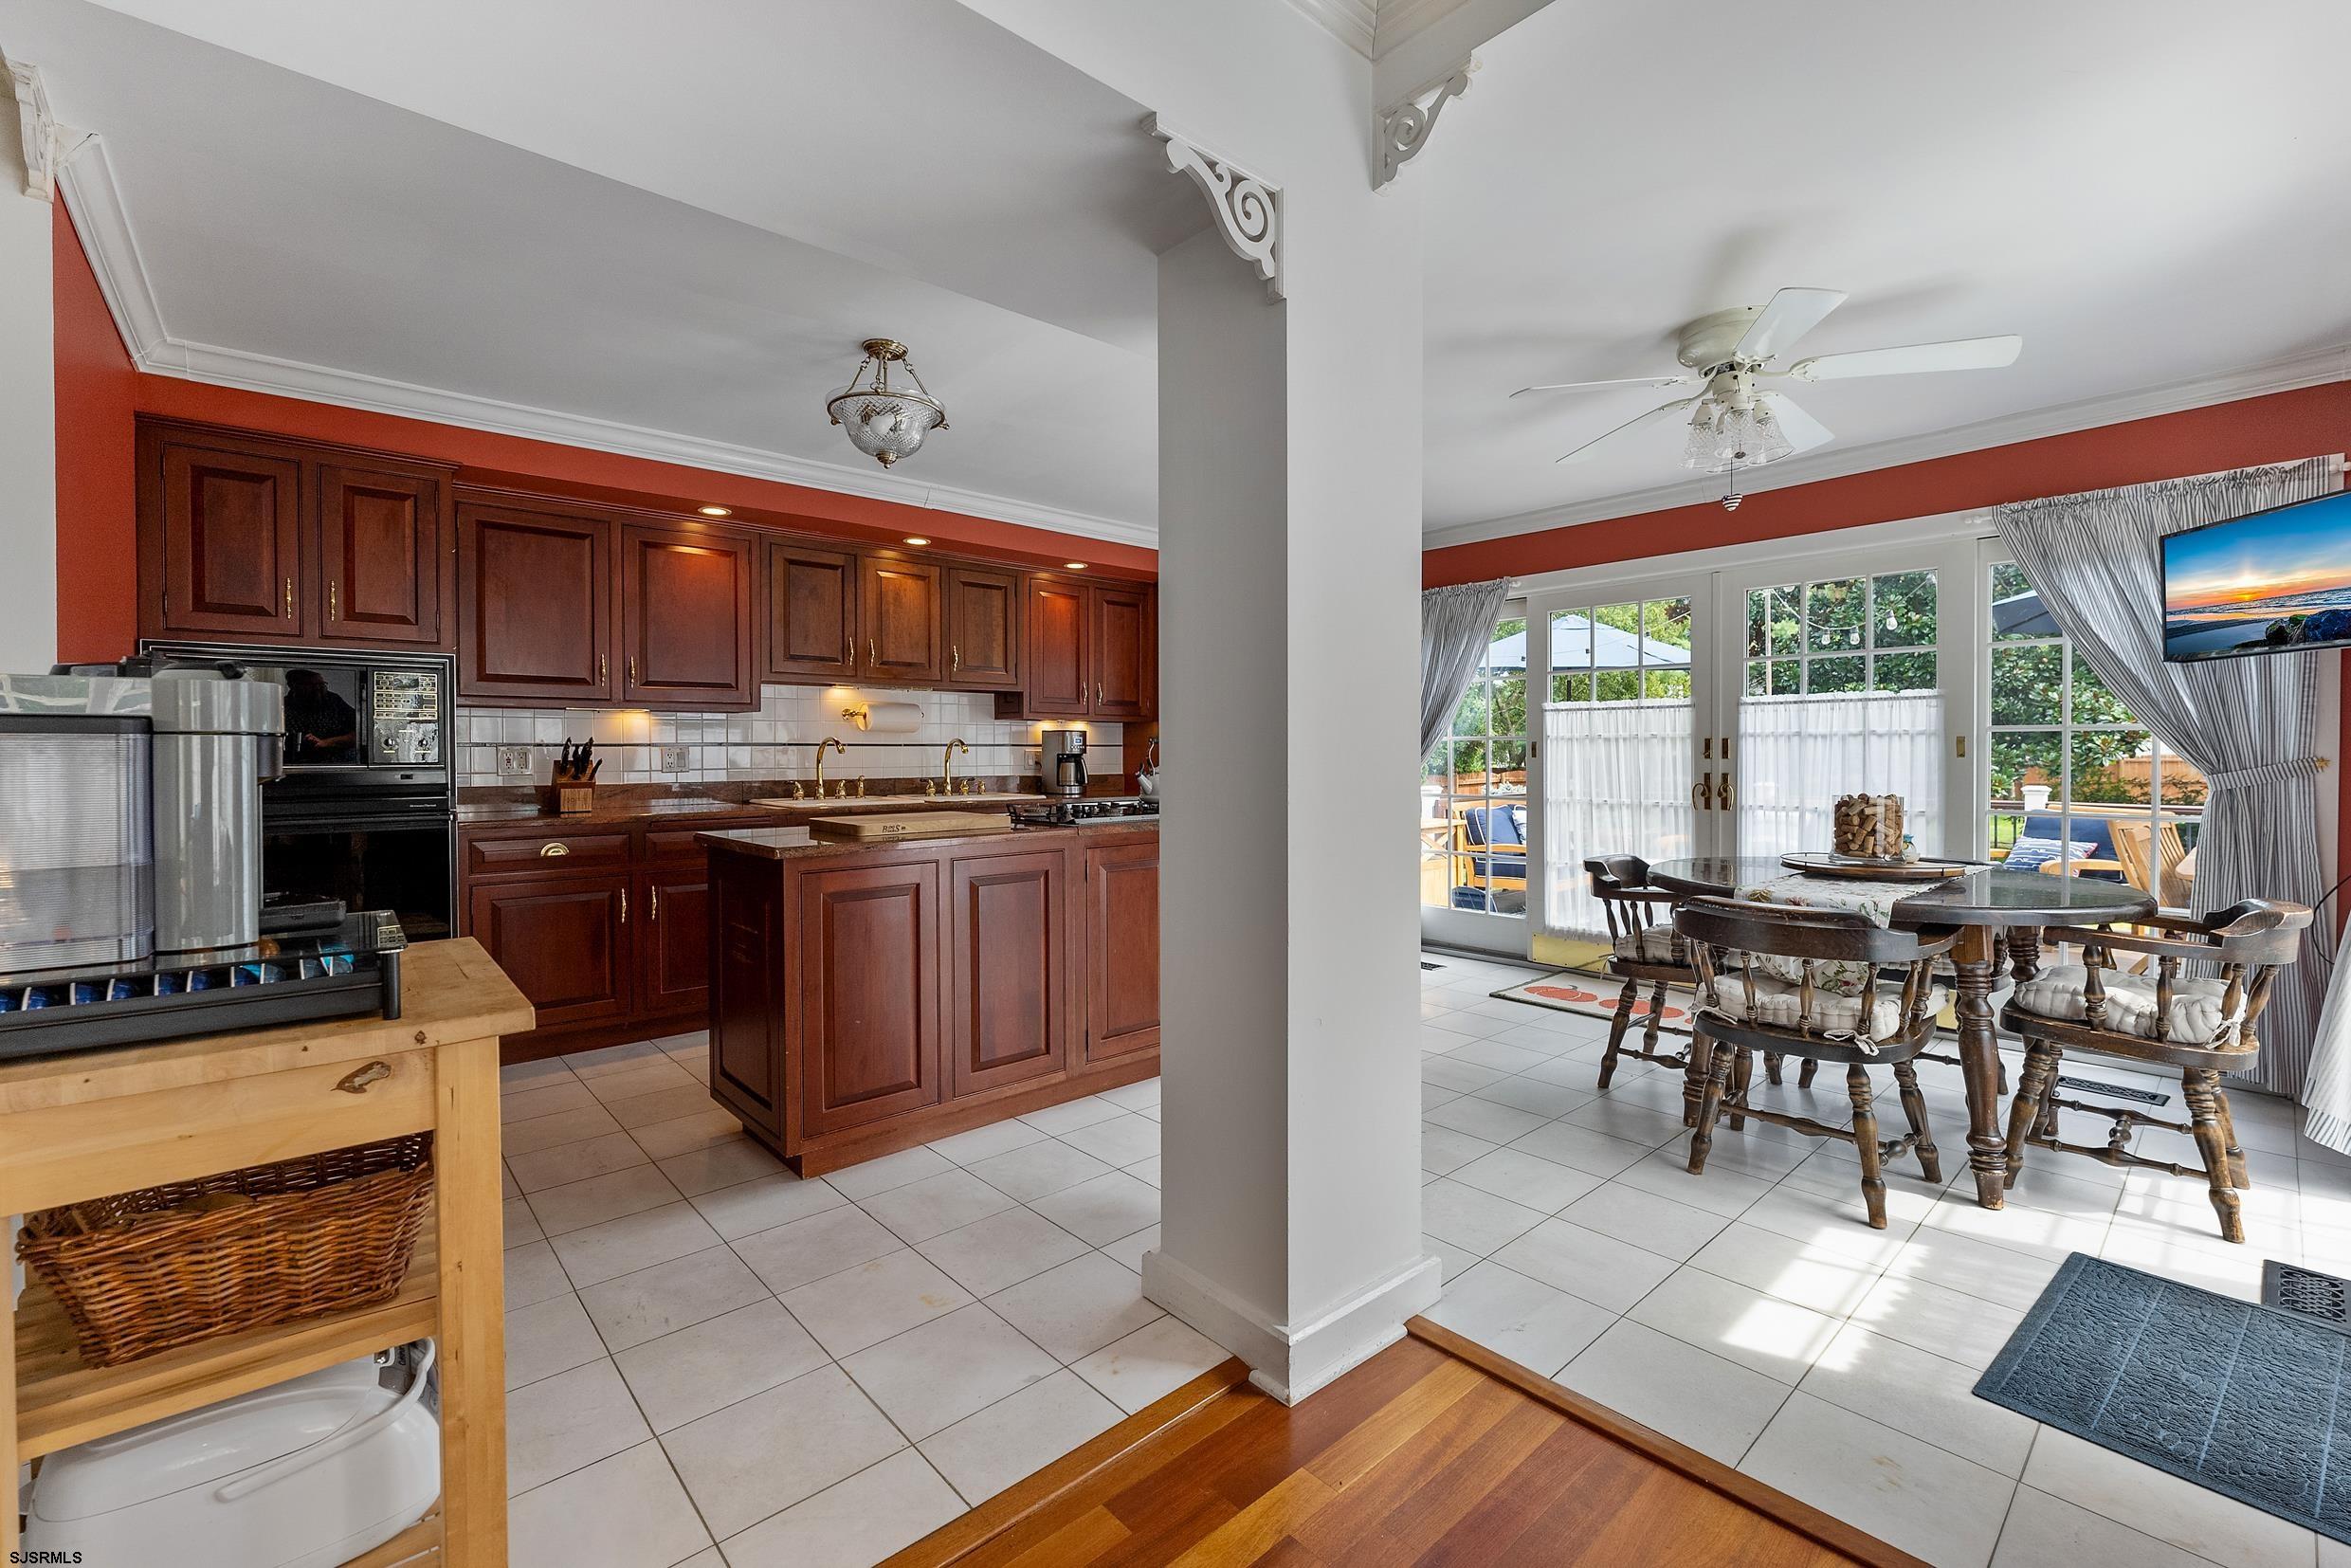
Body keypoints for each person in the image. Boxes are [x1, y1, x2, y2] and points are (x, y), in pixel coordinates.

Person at [284, 669, 359, 763]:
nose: (318, 688)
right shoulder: (283, 706)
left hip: (338, 763)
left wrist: (327, 742)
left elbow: (360, 732)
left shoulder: (334, 701)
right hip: (296, 763)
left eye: (322, 684)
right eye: (311, 685)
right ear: (293, 686)